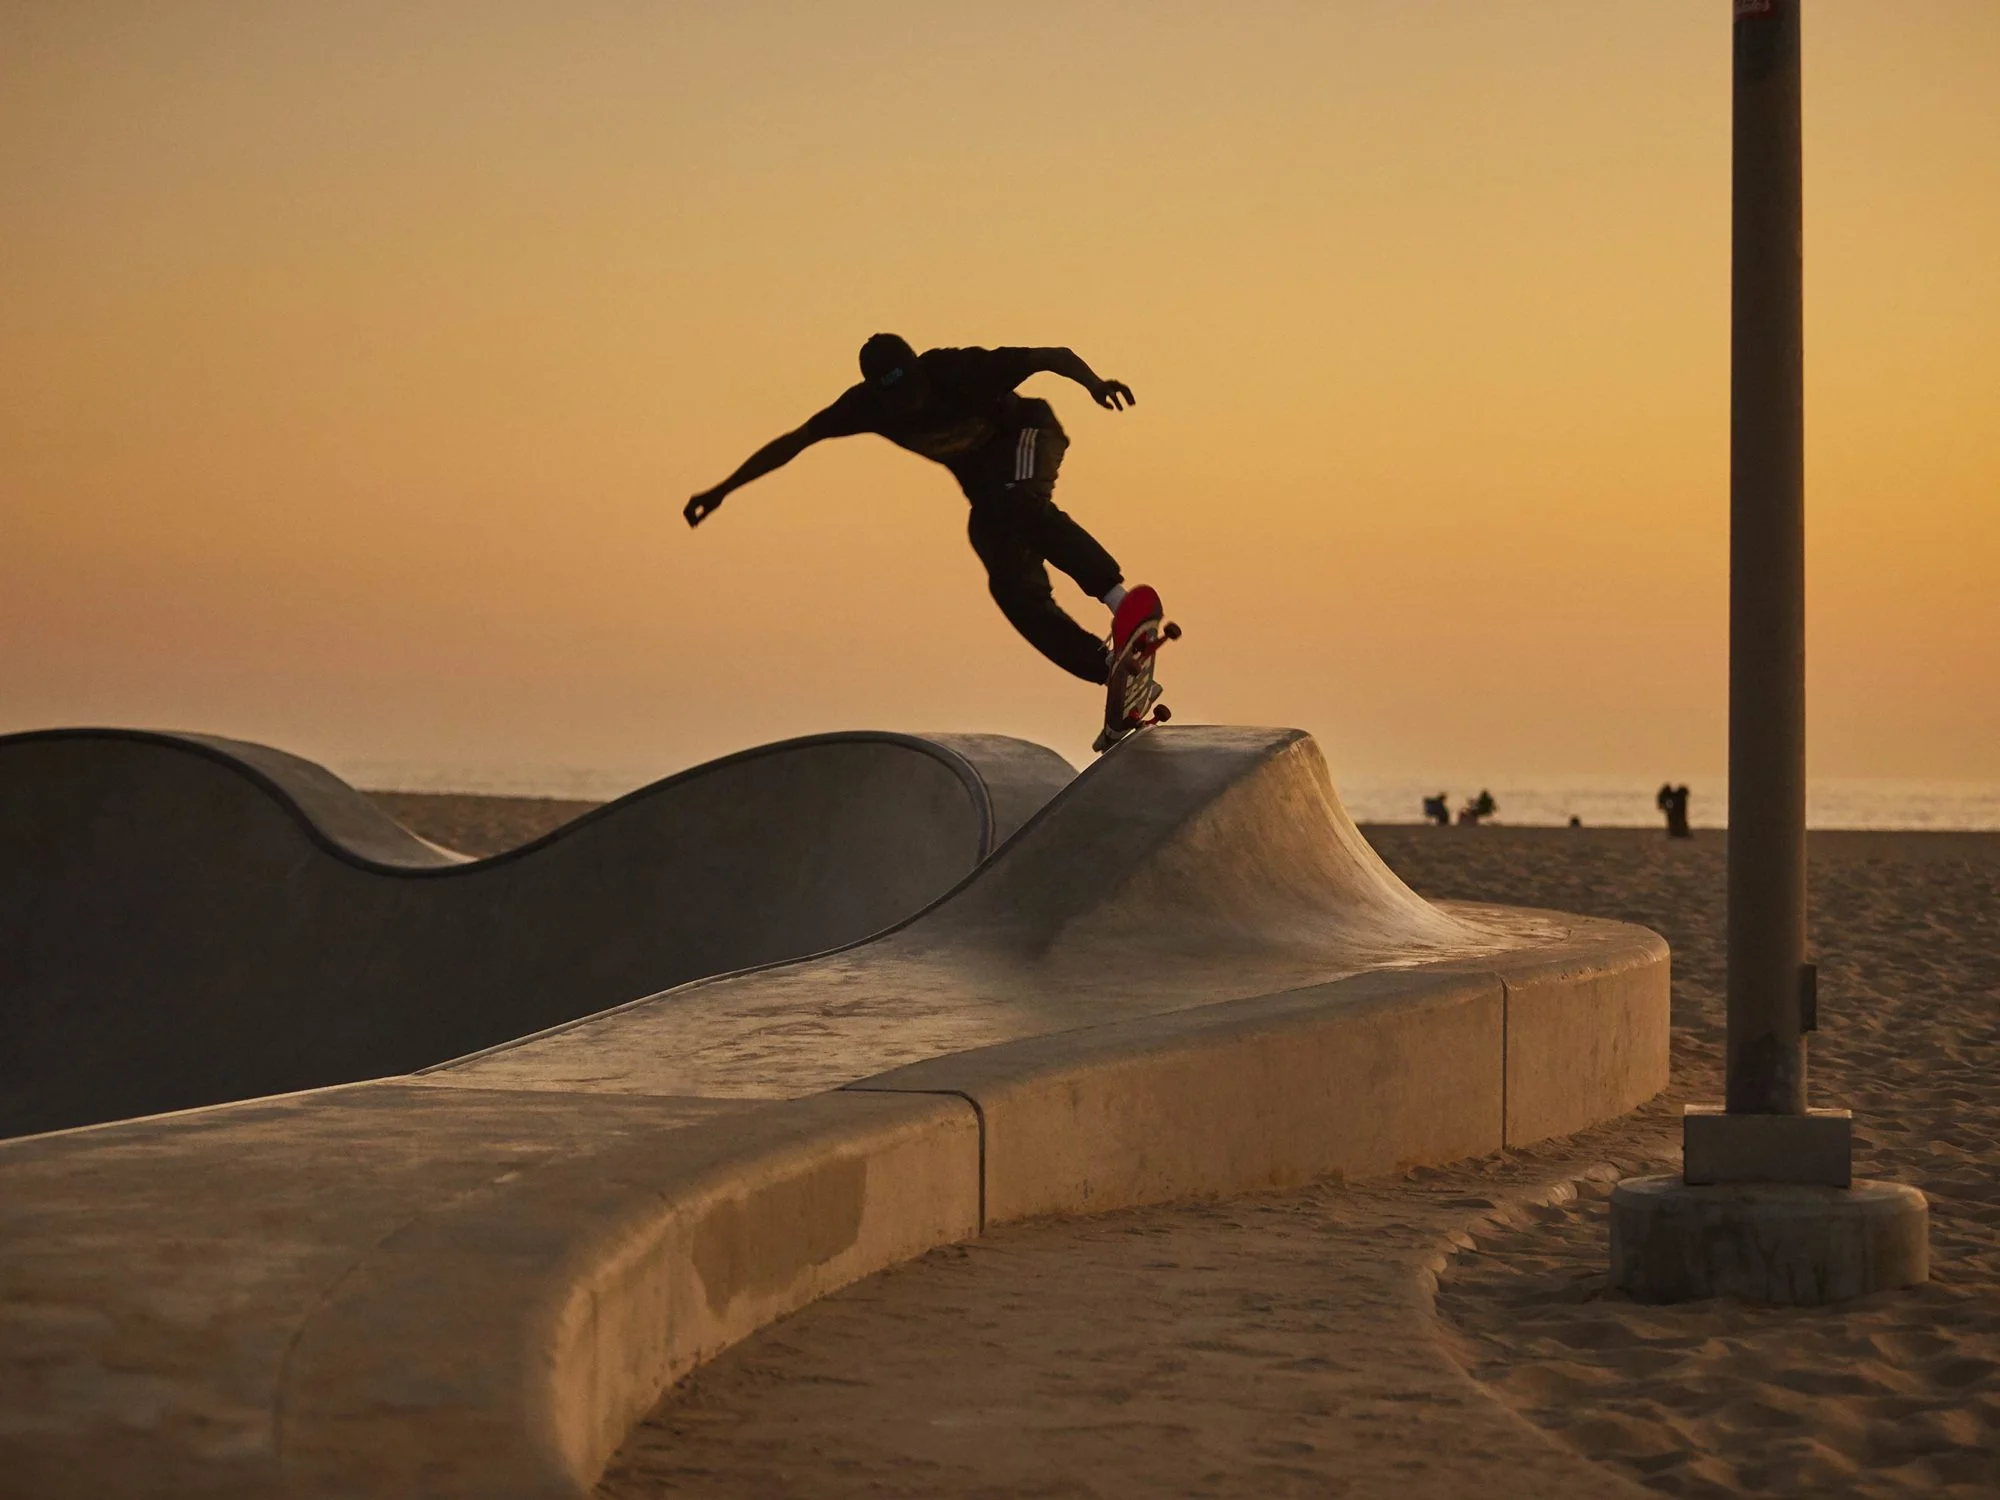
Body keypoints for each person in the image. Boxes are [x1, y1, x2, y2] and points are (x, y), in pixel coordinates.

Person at [684, 334, 1157, 685]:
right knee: (1007, 581)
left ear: (919, 369)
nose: (912, 402)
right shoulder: (863, 408)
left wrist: (1094, 384)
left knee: (1014, 500)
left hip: (1028, 434)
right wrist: (723, 489)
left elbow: (1049, 357)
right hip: (988, 490)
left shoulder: (957, 369)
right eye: (899, 398)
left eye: (914, 388)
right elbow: (793, 442)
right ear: (879, 393)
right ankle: (1110, 668)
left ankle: (1118, 599)